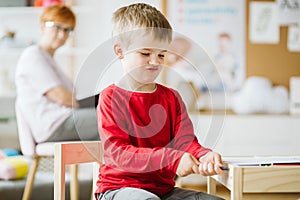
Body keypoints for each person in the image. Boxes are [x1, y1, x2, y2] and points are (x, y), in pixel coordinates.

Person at [95, 3, 225, 200]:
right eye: (145, 53)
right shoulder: (110, 97)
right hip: (118, 190)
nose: (155, 62)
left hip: (162, 191)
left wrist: (204, 155)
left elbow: (186, 142)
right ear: (120, 51)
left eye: (161, 54)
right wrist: (172, 160)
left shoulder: (172, 97)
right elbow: (119, 154)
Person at [15, 4, 99, 143]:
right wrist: (82, 103)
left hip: (61, 120)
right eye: (57, 27)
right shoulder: (32, 56)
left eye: (67, 30)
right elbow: (62, 98)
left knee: (108, 124)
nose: (62, 35)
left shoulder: (48, 59)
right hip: (52, 124)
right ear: (43, 26)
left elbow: (69, 99)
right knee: (112, 118)